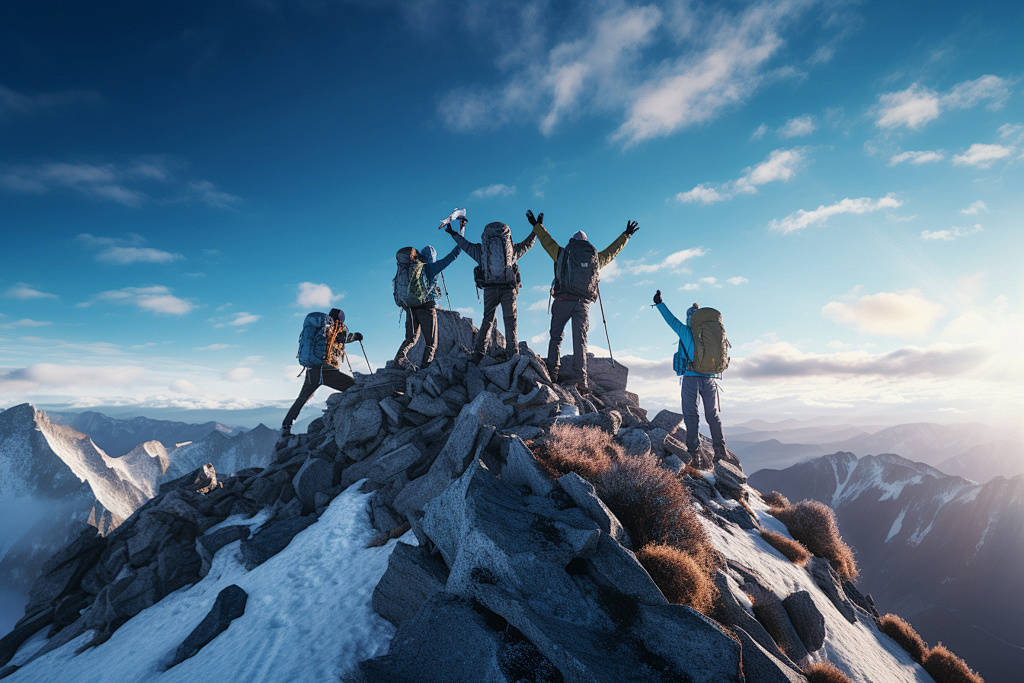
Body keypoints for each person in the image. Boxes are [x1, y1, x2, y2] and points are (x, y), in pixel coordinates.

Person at [527, 209, 638, 391]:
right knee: (580, 341)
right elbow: (612, 252)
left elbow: (547, 242)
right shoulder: (595, 258)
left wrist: (537, 226)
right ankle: (582, 381)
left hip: (562, 300)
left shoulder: (562, 253)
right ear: (586, 242)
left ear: (572, 241)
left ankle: (552, 374)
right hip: (583, 304)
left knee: (556, 337)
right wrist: (626, 235)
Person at [652, 290, 727, 460]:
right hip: (709, 378)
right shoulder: (710, 333)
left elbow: (670, 320)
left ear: (689, 318)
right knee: (712, 414)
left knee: (691, 414)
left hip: (691, 377)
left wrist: (659, 303)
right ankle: (720, 450)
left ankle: (693, 451)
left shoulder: (686, 332)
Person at [445, 219, 535, 359]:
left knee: (487, 321)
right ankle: (512, 354)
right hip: (508, 288)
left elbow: (465, 246)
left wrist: (453, 233)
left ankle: (480, 353)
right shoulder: (512, 251)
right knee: (510, 321)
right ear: (508, 238)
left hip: (490, 288)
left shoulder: (481, 251)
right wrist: (536, 229)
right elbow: (528, 244)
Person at [281, 308, 363, 437]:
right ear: (340, 321)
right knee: (355, 388)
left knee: (301, 399)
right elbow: (344, 338)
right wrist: (356, 336)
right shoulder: (336, 329)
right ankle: (356, 422)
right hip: (329, 371)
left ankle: (286, 427)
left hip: (312, 371)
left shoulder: (322, 329)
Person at [393, 227, 462, 370]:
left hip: (410, 307)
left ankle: (399, 358)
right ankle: (425, 368)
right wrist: (462, 232)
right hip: (426, 307)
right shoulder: (432, 267)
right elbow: (454, 255)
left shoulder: (412, 267)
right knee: (431, 342)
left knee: (411, 338)